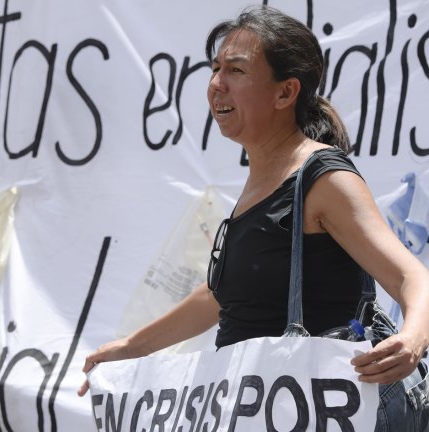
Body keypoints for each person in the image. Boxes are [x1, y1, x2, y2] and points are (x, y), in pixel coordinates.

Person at [78, 5, 429, 430]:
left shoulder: (323, 178)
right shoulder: (260, 181)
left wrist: (412, 340)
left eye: (236, 71)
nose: (215, 85)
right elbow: (220, 297)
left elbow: (412, 277)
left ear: (285, 93)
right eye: (215, 68)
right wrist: (132, 347)